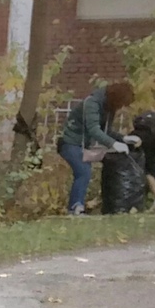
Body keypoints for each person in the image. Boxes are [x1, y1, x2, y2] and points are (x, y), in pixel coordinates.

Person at [58, 79, 135, 214]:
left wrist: (123, 138)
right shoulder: (92, 103)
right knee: (83, 171)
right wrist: (113, 144)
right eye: (122, 104)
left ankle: (77, 207)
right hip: (70, 142)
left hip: (82, 144)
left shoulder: (109, 108)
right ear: (116, 99)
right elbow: (94, 130)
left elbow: (106, 131)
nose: (122, 108)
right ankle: (75, 208)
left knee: (84, 171)